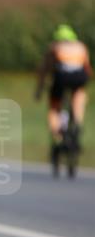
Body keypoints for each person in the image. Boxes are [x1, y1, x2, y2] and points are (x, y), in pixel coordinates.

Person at [35, 24, 91, 153]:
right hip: (79, 76)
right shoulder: (81, 46)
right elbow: (87, 69)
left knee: (54, 105)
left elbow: (44, 70)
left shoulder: (55, 46)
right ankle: (77, 122)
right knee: (79, 94)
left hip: (62, 77)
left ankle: (58, 136)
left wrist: (39, 90)